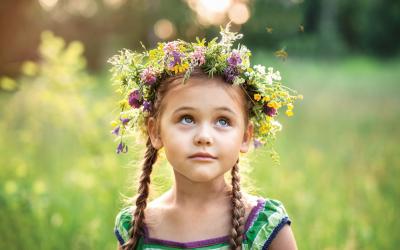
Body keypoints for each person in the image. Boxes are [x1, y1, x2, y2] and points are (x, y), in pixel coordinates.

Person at [108, 24, 302, 250]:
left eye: (223, 121)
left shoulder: (265, 226)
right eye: (187, 119)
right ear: (155, 131)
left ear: (245, 137)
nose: (203, 137)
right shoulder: (136, 227)